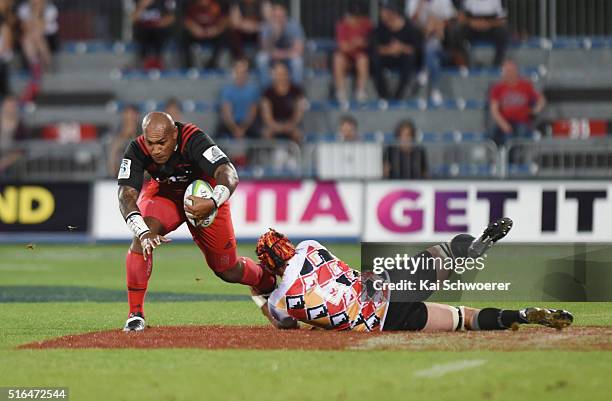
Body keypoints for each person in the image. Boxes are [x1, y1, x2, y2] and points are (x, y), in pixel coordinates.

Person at [249, 221, 574, 333]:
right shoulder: (310, 247)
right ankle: (471, 249)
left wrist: (259, 293)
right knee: (442, 253)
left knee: (464, 320)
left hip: (382, 318)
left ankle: (519, 316)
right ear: (288, 244)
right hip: (384, 283)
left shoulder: (283, 299)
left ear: (268, 264)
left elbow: (284, 324)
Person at [118, 112, 277, 331]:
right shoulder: (137, 149)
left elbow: (228, 172)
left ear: (175, 134)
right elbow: (125, 196)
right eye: (150, 143)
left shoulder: (193, 139)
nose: (155, 150)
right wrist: (143, 231)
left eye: (161, 143)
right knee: (141, 236)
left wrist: (213, 201)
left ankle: (263, 279)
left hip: (205, 197)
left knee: (227, 270)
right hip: (165, 195)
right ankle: (135, 315)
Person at [406, 0, 458, 104]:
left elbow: (452, 18)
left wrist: (437, 24)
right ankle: (435, 89)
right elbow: (410, 22)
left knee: (432, 46)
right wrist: (420, 5)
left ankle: (425, 71)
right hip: (421, 38)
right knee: (433, 56)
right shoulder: (413, 1)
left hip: (442, 40)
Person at [371, 3, 423, 100]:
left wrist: (401, 47)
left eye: (385, 13)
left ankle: (400, 93)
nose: (382, 16)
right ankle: (383, 94)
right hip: (387, 56)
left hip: (403, 57)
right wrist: (389, 50)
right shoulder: (380, 28)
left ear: (393, 14)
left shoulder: (409, 28)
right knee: (375, 60)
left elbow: (416, 49)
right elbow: (375, 48)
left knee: (409, 59)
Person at [489, 60, 545, 146]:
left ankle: (516, 157)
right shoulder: (498, 88)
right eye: (506, 71)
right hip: (505, 121)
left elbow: (541, 99)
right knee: (494, 136)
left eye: (511, 70)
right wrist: (504, 125)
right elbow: (494, 110)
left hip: (522, 122)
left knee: (520, 135)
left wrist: (535, 110)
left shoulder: (526, 86)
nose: (509, 73)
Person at [17, 0, 58, 101]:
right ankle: (42, 66)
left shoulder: (51, 9)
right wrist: (34, 13)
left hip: (48, 39)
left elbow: (42, 27)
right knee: (29, 38)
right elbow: (25, 27)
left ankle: (41, 66)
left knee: (35, 36)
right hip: (31, 39)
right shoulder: (24, 9)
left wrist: (37, 13)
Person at [333, 4, 373, 103]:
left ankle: (360, 92)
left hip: (360, 57)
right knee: (338, 58)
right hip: (346, 57)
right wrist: (355, 44)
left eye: (358, 17)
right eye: (353, 16)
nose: (356, 20)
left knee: (363, 59)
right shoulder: (342, 25)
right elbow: (343, 47)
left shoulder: (367, 24)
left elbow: (371, 43)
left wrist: (362, 43)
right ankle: (340, 92)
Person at [256, 3, 304, 85]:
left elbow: (299, 49)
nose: (278, 19)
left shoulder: (294, 26)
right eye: (276, 17)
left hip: (288, 56)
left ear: (285, 16)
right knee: (261, 59)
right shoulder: (266, 26)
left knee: (298, 62)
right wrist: (275, 34)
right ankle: (267, 91)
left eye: (281, 16)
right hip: (273, 56)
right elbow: (264, 48)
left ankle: (296, 91)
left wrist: (282, 54)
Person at [261, 62, 305, 143]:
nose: (280, 76)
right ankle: (269, 154)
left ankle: (298, 154)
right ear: (273, 75)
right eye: (278, 74)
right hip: (274, 124)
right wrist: (276, 126)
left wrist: (290, 125)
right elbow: (266, 115)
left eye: (282, 73)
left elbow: (299, 112)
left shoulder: (296, 91)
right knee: (266, 133)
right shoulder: (267, 92)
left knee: (298, 134)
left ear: (287, 74)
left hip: (291, 124)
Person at [455, 0, 509, 67]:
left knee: (503, 31)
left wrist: (488, 23)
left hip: (491, 27)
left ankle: (497, 65)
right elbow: (460, 18)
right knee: (457, 31)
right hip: (472, 27)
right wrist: (472, 22)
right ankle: (466, 64)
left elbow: (503, 20)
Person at [218, 58, 260, 140]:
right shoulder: (227, 90)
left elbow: (252, 113)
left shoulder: (253, 90)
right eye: (238, 71)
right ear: (234, 72)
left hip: (249, 124)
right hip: (231, 124)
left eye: (243, 72)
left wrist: (243, 128)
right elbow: (227, 113)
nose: (241, 74)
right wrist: (235, 129)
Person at [180, 0, 228, 69]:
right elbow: (185, 20)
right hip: (196, 33)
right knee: (184, 37)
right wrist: (193, 28)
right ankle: (189, 68)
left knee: (224, 38)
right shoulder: (191, 5)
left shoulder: (217, 5)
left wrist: (216, 29)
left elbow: (225, 20)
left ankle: (212, 66)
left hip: (213, 33)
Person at [131, 0, 176, 70]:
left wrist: (159, 23)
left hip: (159, 31)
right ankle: (144, 63)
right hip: (143, 32)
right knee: (144, 34)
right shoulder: (138, 2)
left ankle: (158, 62)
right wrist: (142, 6)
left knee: (157, 34)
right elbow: (133, 19)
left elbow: (171, 18)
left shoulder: (163, 2)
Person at [106, 104, 140, 178]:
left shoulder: (144, 134)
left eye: (132, 116)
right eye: (126, 115)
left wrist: (133, 134)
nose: (129, 119)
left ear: (137, 117)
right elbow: (111, 159)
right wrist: (123, 136)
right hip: (117, 177)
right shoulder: (114, 134)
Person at [0, 95, 28, 173]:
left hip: (11, 162)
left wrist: (4, 163)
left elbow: (21, 150)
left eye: (12, 106)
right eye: (7, 106)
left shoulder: (21, 127)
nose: (9, 109)